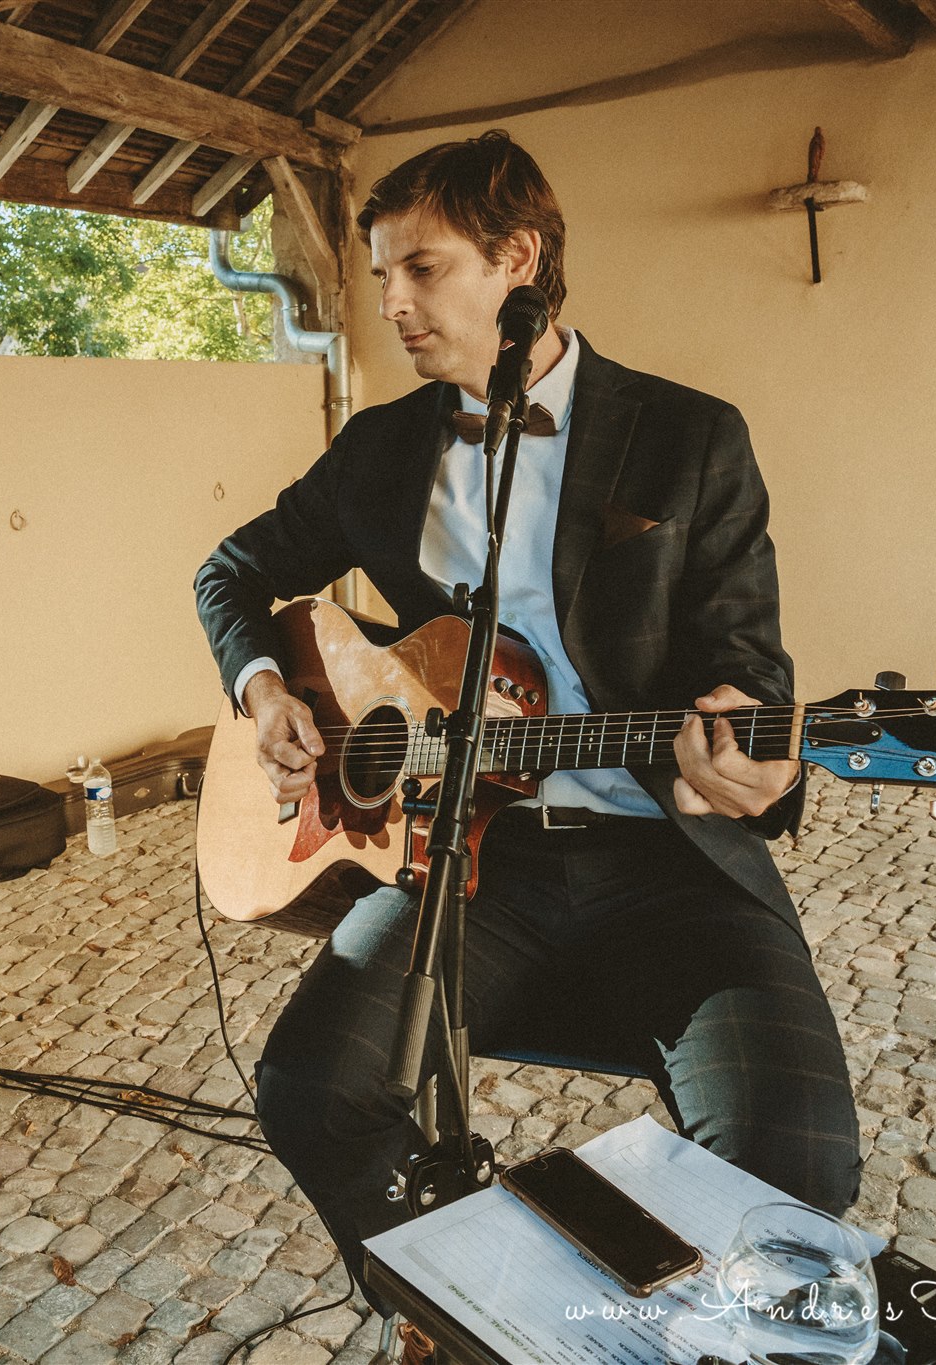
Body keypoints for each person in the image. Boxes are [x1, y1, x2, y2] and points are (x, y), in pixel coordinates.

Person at [195, 132, 860, 1317]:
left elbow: (745, 664)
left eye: (423, 269)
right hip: (460, 858)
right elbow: (231, 574)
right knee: (310, 1084)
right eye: (381, 274)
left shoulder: (686, 435)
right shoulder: (382, 450)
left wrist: (746, 758)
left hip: (664, 859)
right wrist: (265, 690)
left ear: (518, 258)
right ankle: (473, 1316)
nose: (391, 303)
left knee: (791, 1165)